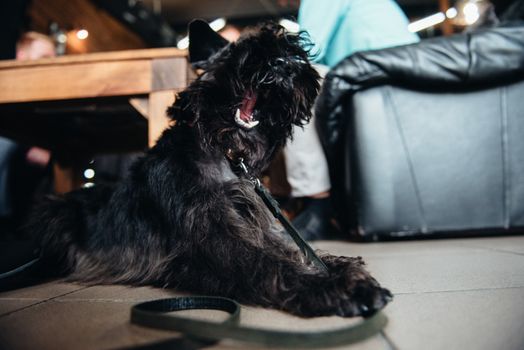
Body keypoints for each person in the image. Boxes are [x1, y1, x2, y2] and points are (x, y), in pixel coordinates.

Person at [284, 0, 420, 240]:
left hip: (375, 72)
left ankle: (318, 204)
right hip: (408, 74)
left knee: (292, 82)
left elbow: (305, 49)